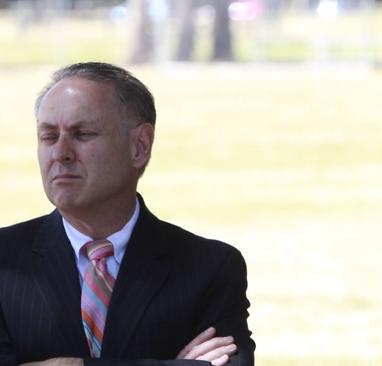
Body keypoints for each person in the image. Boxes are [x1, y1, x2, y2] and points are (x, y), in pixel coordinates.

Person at [0, 62, 254, 365]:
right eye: (48, 137)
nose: (60, 153)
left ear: (140, 146)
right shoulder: (5, 260)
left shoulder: (209, 267)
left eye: (82, 134)